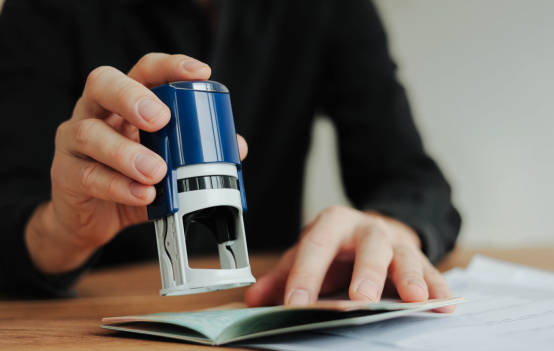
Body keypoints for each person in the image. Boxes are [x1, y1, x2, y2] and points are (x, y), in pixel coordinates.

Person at [0, 0, 461, 311]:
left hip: (262, 313)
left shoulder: (330, 8)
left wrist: (389, 228)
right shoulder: (46, 10)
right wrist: (61, 233)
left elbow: (414, 178)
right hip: (94, 325)